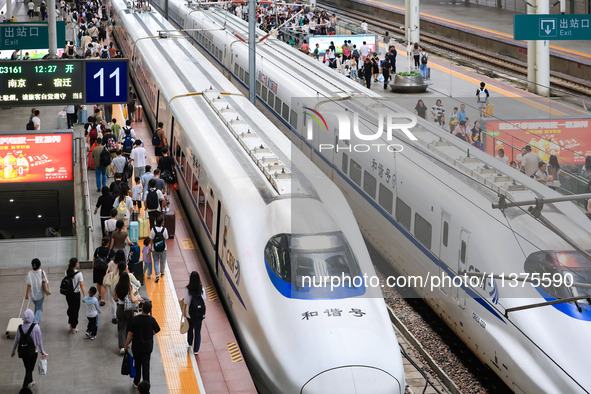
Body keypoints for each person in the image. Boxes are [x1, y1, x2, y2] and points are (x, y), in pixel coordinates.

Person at [125, 301, 161, 388]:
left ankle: (136, 382)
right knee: (146, 365)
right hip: (147, 347)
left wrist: (126, 345)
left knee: (137, 364)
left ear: (142, 309)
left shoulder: (135, 320)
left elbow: (130, 334)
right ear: (149, 310)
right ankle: (146, 383)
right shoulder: (151, 320)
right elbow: (156, 330)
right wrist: (150, 332)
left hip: (137, 346)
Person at [11, 309, 47, 389]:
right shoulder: (36, 327)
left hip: (23, 351)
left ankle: (31, 380)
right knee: (29, 369)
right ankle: (24, 387)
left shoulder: (20, 328)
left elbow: (16, 340)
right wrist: (42, 352)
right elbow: (39, 341)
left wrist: (13, 351)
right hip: (33, 351)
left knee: (27, 367)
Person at [115, 271, 143, 354]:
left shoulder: (117, 286)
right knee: (129, 326)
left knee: (121, 327)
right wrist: (139, 299)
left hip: (120, 308)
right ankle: (127, 343)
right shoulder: (129, 287)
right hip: (128, 309)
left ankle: (121, 347)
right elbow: (133, 299)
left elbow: (115, 298)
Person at [183, 271, 206, 354]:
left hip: (190, 313)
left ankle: (189, 343)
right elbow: (204, 298)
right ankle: (196, 350)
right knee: (198, 331)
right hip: (199, 313)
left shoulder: (188, 288)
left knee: (190, 329)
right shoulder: (201, 287)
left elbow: (186, 301)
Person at [64, 257, 86, 333]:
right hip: (76, 294)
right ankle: (74, 327)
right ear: (76, 264)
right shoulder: (79, 274)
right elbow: (82, 285)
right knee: (76, 310)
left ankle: (70, 322)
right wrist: (84, 295)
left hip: (68, 293)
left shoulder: (67, 272)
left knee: (70, 307)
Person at [25, 258, 48, 324]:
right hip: (40, 294)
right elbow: (46, 281)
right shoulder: (42, 272)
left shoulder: (29, 273)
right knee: (38, 308)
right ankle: (36, 322)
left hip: (33, 295)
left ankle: (38, 318)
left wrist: (26, 294)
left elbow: (28, 284)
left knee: (37, 306)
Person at [93, 236, 114, 305]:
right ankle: (102, 299)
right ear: (108, 243)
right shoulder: (110, 251)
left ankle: (99, 294)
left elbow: (94, 258)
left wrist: (94, 266)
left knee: (98, 282)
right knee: (103, 284)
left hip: (97, 268)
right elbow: (113, 261)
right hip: (105, 269)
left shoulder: (97, 249)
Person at [150, 215, 169, 283]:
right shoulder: (164, 229)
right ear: (162, 222)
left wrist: (150, 248)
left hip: (154, 248)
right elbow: (166, 238)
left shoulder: (153, 229)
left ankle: (157, 274)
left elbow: (151, 240)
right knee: (163, 261)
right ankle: (162, 272)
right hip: (163, 248)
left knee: (156, 261)